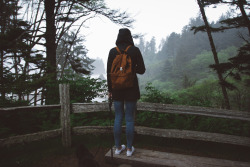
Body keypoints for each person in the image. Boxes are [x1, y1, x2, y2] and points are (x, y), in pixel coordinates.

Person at [107, 28, 146, 157]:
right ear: (129, 37)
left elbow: (109, 73)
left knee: (118, 118)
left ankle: (118, 148)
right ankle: (129, 149)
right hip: (131, 89)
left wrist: (110, 90)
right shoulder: (134, 50)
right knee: (129, 119)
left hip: (117, 90)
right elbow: (142, 70)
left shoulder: (113, 52)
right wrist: (132, 68)